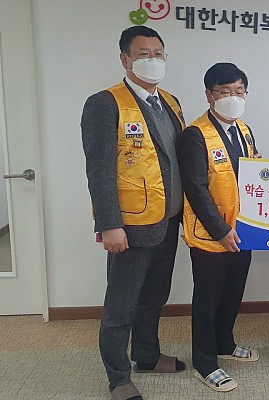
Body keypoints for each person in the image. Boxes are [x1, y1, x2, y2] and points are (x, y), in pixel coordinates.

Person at [81, 26, 186, 400]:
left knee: (155, 295)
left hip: (168, 220)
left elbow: (176, 160)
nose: (153, 60)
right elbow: (99, 169)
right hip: (130, 225)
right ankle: (118, 378)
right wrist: (109, 224)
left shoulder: (170, 102)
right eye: (144, 54)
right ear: (125, 60)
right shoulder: (105, 104)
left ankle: (147, 355)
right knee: (121, 305)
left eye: (158, 54)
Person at [178, 62, 261, 392]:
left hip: (243, 230)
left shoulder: (244, 130)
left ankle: (224, 343)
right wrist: (220, 230)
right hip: (211, 235)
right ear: (209, 95)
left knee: (233, 292)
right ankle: (204, 362)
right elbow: (195, 189)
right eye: (224, 91)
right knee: (208, 298)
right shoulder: (195, 134)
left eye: (239, 91)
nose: (233, 98)